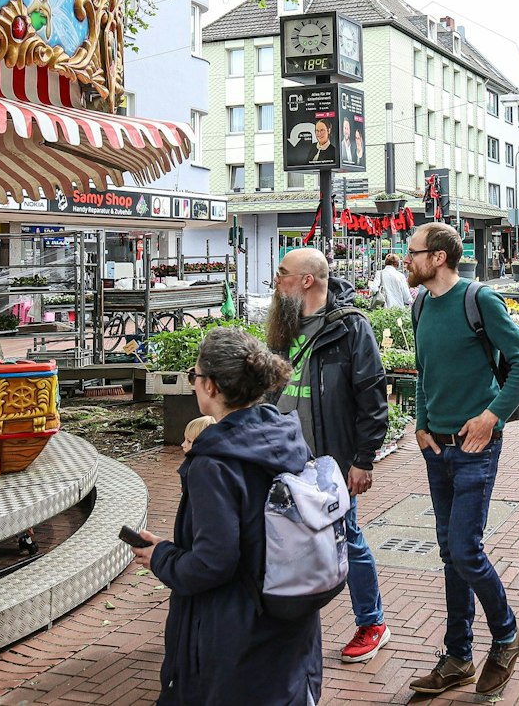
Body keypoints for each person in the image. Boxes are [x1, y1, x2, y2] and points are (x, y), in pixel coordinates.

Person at [132, 330, 319, 705]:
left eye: (195, 375)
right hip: (290, 620)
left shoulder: (213, 464)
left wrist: (161, 556)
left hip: (235, 634)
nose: (194, 383)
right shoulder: (285, 436)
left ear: (211, 386)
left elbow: (212, 563)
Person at [405, 221, 519, 697]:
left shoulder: (479, 300)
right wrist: (421, 423)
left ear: (438, 257)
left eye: (413, 251)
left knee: (465, 550)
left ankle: (506, 636)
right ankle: (459, 656)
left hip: (475, 447)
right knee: (449, 554)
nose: (407, 258)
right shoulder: (421, 304)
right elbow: (424, 371)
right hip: (436, 447)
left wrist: (491, 418)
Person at [264, 247, 391, 664]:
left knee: (347, 537)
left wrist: (363, 459)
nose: (276, 281)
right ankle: (285, 624)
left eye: (282, 273)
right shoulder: (283, 326)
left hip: (330, 461)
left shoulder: (350, 327)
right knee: (281, 538)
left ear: (306, 280)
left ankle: (372, 623)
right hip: (282, 457)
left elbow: (372, 396)